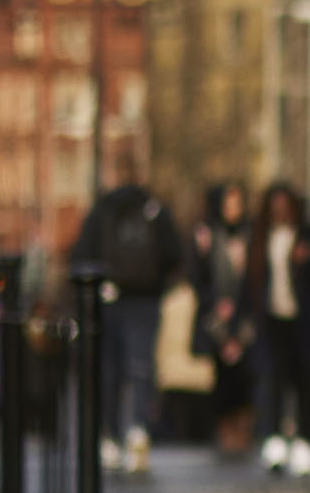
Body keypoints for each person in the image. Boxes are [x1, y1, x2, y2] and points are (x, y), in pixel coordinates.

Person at [70, 174, 183, 473]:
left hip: (110, 299)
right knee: (141, 367)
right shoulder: (153, 210)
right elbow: (175, 255)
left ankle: (109, 436)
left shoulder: (103, 211)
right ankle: (139, 430)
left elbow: (80, 254)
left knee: (110, 370)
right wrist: (158, 286)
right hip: (146, 300)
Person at [238, 182, 310, 477]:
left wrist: (309, 262)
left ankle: (303, 441)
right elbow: (248, 284)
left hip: (305, 325)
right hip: (271, 322)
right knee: (272, 381)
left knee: (304, 383)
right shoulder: (260, 239)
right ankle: (274, 440)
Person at [193, 180, 254, 458]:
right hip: (216, 321)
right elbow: (199, 279)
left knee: (245, 378)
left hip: (245, 320)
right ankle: (224, 431)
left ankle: (243, 431)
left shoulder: (250, 235)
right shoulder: (207, 235)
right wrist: (216, 306)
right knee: (221, 381)